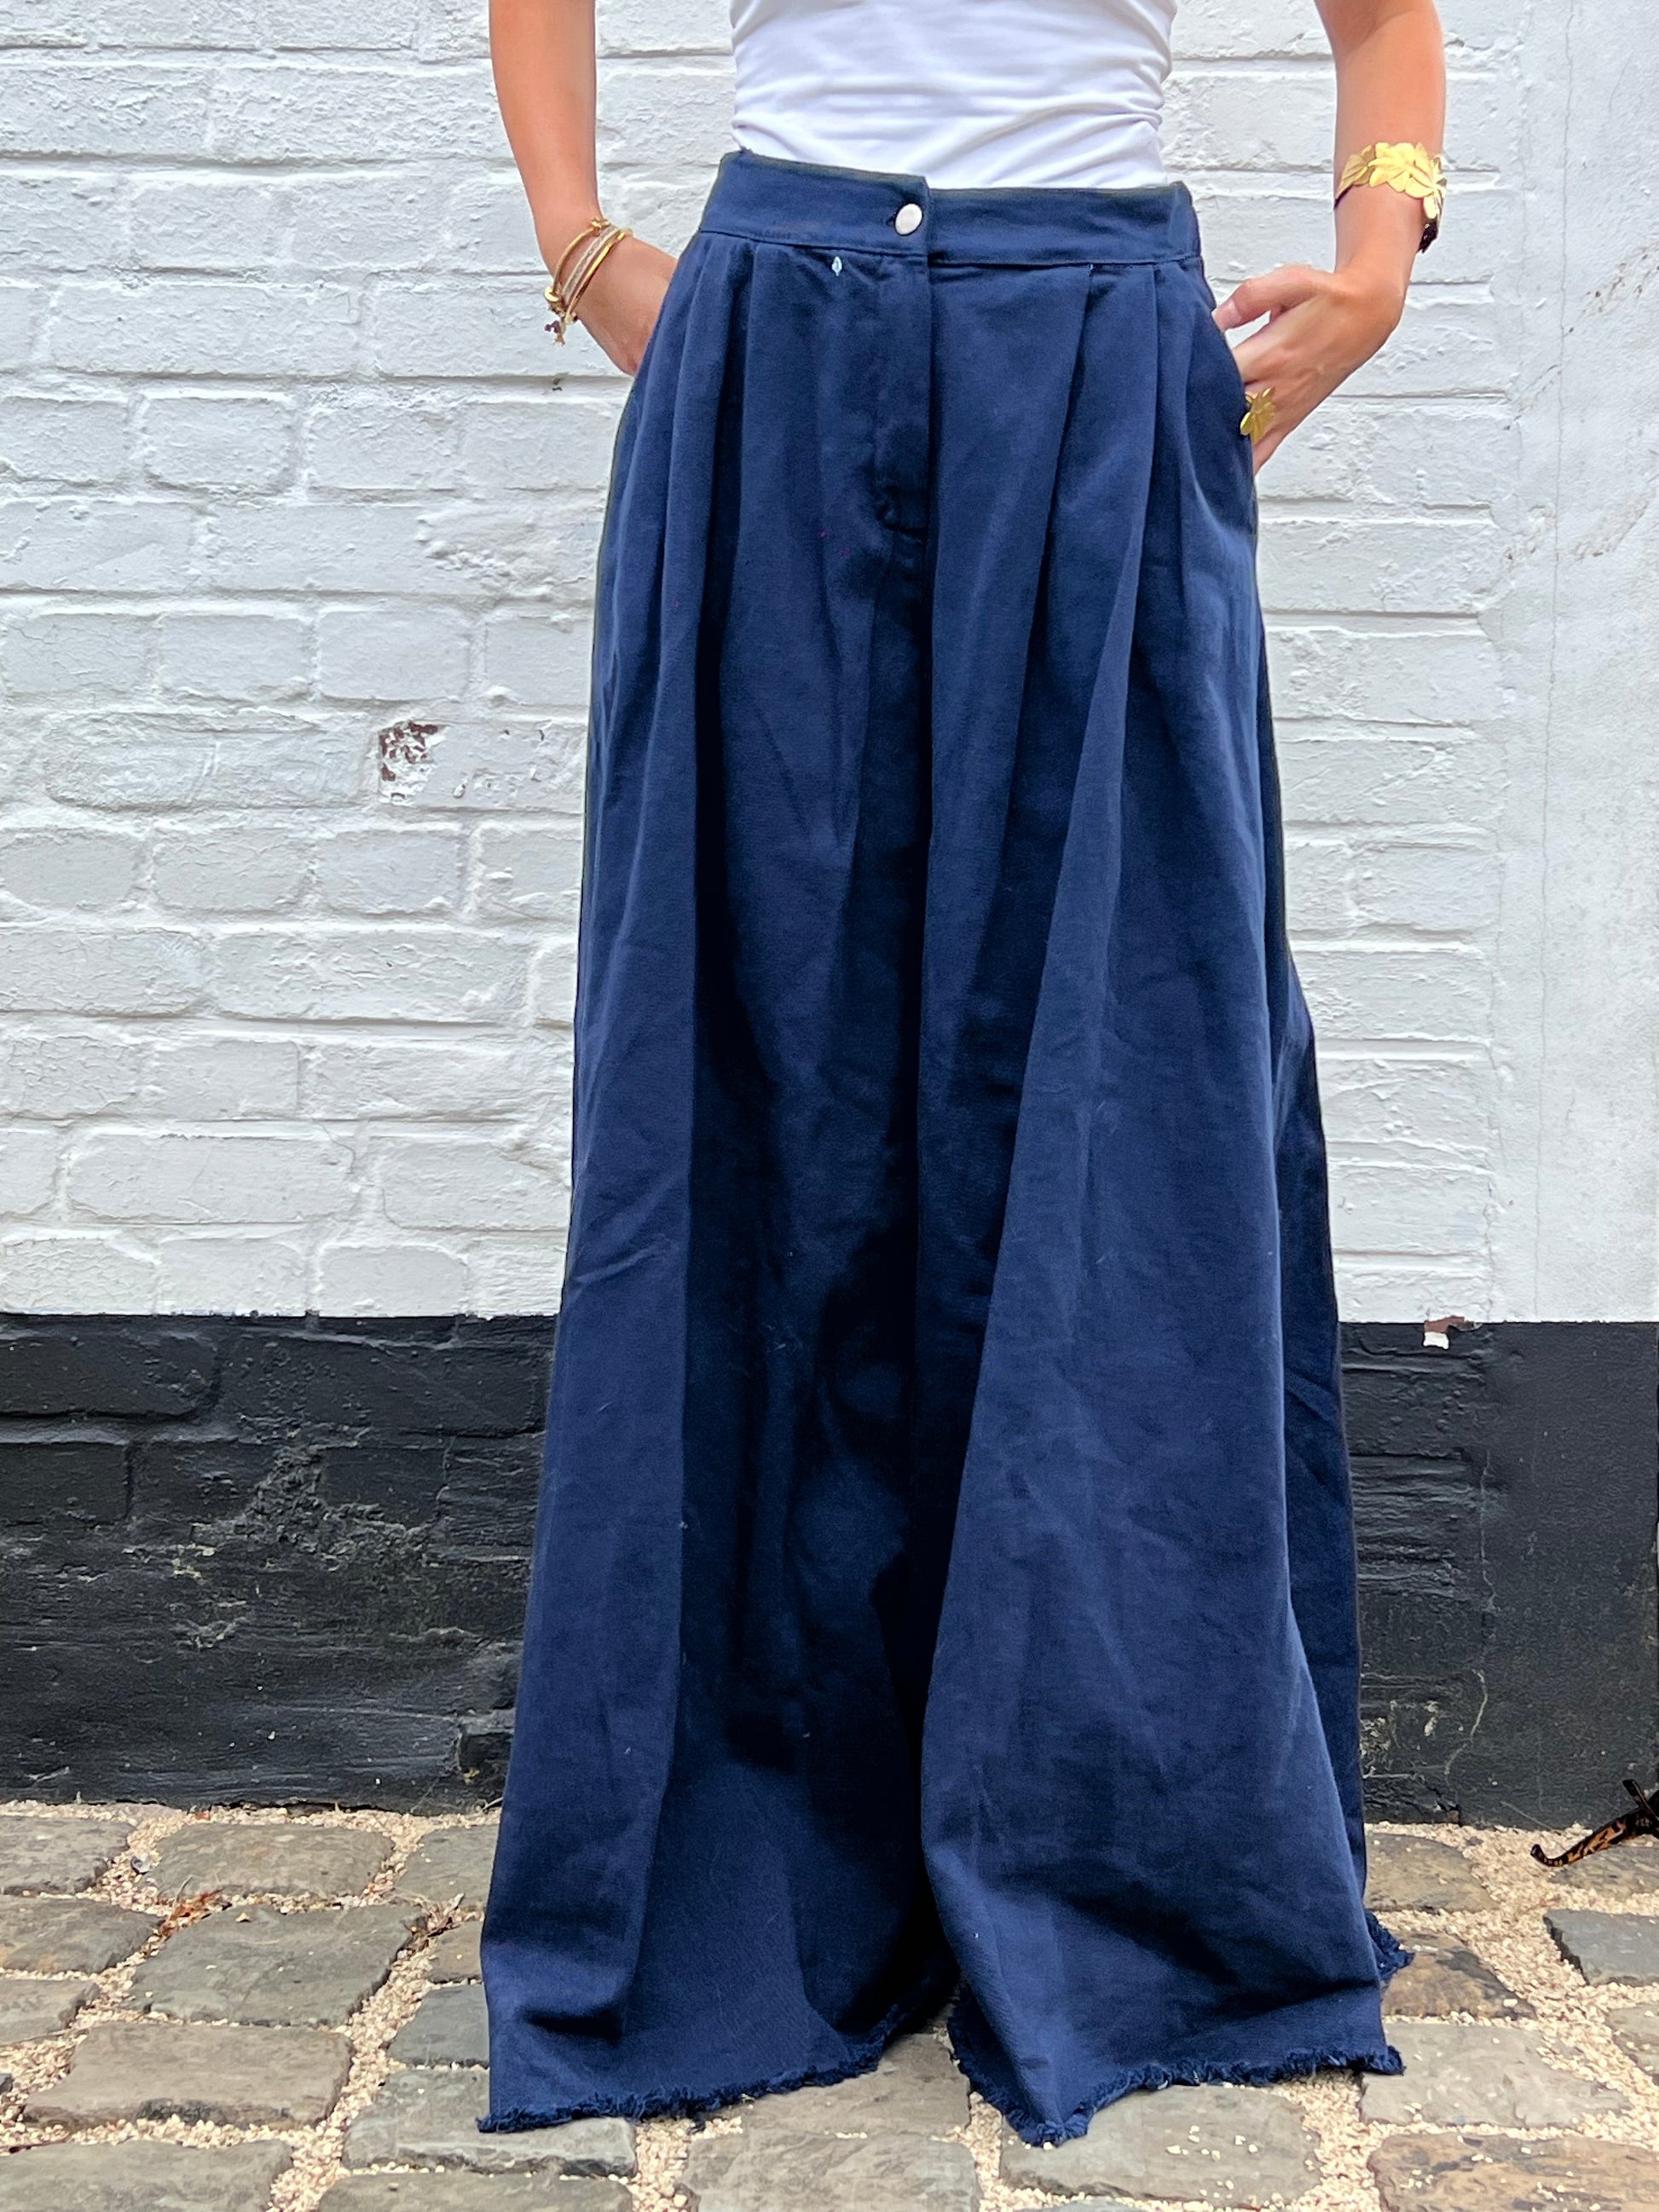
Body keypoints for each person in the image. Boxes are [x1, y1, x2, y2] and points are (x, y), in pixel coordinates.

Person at [479, 0, 1447, 2151]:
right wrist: (580, 243)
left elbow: (1385, 18)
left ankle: (1120, 1840)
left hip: (1100, 347)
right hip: (776, 338)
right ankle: (746, 1852)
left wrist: (1380, 259)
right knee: (753, 1072)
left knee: (1124, 1076)